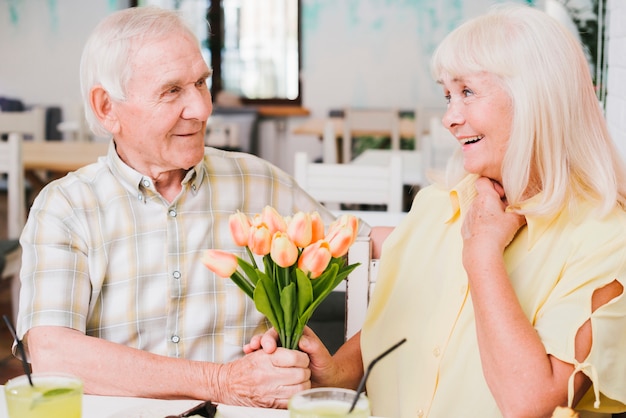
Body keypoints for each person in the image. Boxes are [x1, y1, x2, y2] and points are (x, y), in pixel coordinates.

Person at [246, 4, 626, 417]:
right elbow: (394, 325)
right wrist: (333, 373)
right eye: (447, 95)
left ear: (536, 97)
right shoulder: (437, 205)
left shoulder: (606, 238)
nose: (449, 118)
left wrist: (482, 256)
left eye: (467, 92)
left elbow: (527, 405)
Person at [14, 6, 365, 408]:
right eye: (172, 91)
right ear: (107, 107)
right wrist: (220, 381)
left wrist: (340, 368)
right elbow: (51, 353)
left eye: (201, 82)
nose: (201, 109)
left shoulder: (258, 181)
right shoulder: (66, 207)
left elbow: (372, 251)